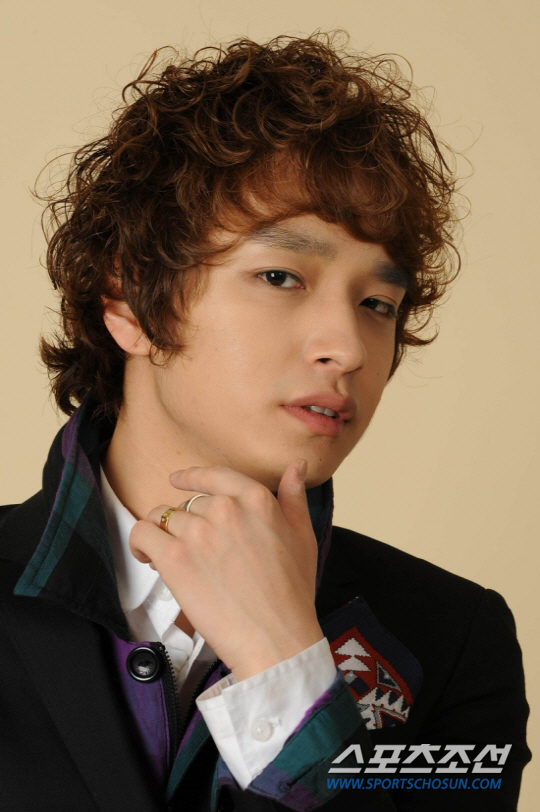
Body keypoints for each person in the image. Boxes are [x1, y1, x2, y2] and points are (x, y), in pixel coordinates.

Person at [0, 33, 530, 812]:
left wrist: (288, 667)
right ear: (131, 303)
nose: (349, 347)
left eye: (377, 304)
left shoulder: (452, 641)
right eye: (280, 276)